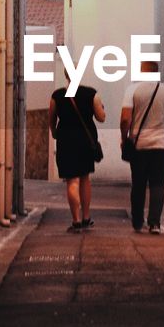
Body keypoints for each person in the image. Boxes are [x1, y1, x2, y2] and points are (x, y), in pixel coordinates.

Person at [120, 60, 164, 233]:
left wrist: (124, 138)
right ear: (157, 72)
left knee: (138, 183)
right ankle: (154, 223)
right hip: (162, 145)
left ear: (141, 72)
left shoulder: (132, 90)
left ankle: (138, 222)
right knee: (158, 183)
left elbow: (125, 119)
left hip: (140, 145)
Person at [49, 73, 106, 232]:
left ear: (66, 75)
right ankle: (86, 217)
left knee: (72, 180)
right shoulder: (91, 94)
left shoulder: (57, 96)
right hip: (85, 142)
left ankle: (76, 220)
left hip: (66, 141)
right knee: (85, 177)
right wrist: (102, 110)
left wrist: (55, 133)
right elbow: (101, 117)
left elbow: (51, 120)